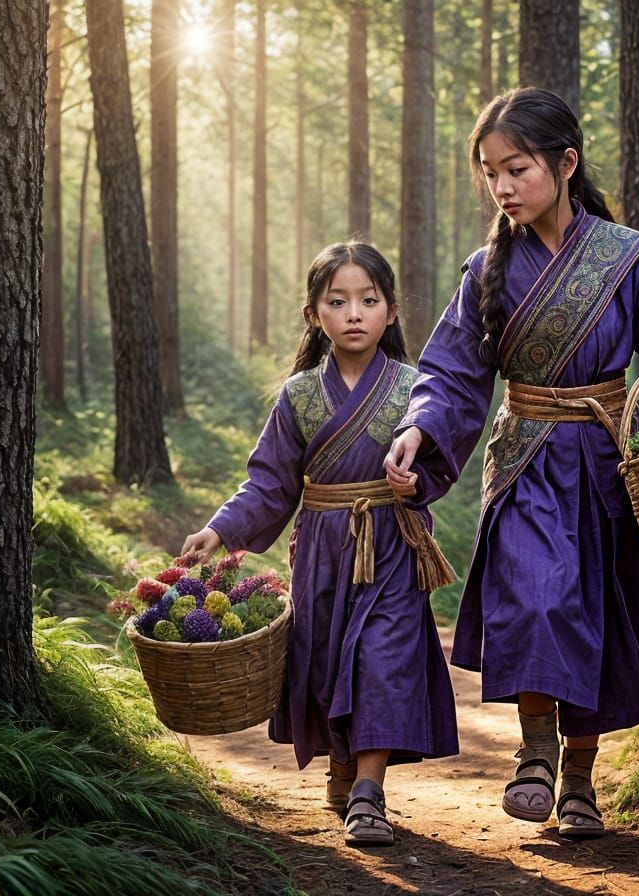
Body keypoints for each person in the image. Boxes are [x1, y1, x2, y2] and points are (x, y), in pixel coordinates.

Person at [383, 87, 639, 840]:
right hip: (527, 461)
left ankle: (579, 779)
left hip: (610, 464)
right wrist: (419, 429)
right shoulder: (486, 270)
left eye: (516, 168)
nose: (502, 187)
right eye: (490, 173)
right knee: (539, 602)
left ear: (566, 163)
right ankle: (536, 751)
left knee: (599, 621)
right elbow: (448, 374)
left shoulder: (623, 258)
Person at [181, 241, 459, 848]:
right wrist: (221, 529)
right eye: (338, 301)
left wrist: (414, 483)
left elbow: (439, 463)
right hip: (323, 551)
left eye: (369, 299)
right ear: (315, 314)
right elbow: (268, 483)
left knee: (383, 658)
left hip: (392, 543)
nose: (354, 313)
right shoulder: (300, 395)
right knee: (330, 660)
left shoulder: (416, 390)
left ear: (390, 310)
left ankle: (368, 793)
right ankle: (342, 763)